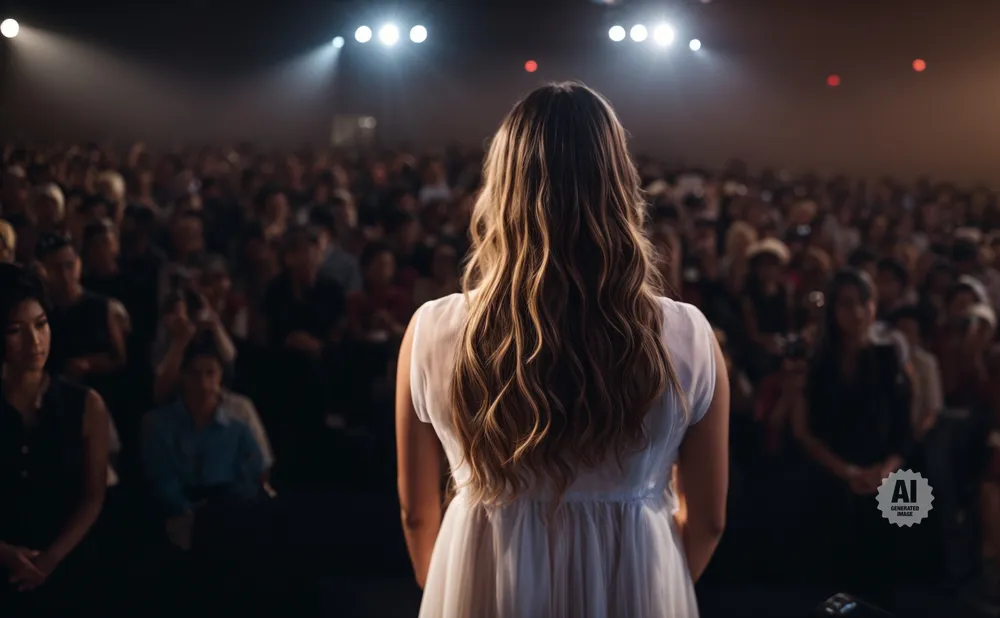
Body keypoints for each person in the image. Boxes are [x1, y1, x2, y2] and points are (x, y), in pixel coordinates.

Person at [395, 83, 729, 618]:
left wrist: (452, 583)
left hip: (485, 586)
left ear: (502, 188)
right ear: (619, 187)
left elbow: (417, 514)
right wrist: (650, 575)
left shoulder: (433, 330)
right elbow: (709, 519)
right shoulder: (687, 336)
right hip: (637, 586)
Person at [792, 269, 913, 609]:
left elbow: (905, 430)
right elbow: (806, 433)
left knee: (897, 520)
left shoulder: (889, 358)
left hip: (884, 473)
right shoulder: (818, 363)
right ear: (833, 310)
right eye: (846, 304)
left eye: (864, 303)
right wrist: (848, 472)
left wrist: (883, 472)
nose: (857, 313)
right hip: (832, 473)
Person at [0, 264, 110, 614]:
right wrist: (5, 553)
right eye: (16, 330)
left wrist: (50, 560)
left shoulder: (85, 404)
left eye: (41, 324)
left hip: (68, 565)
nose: (35, 342)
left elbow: (93, 497)